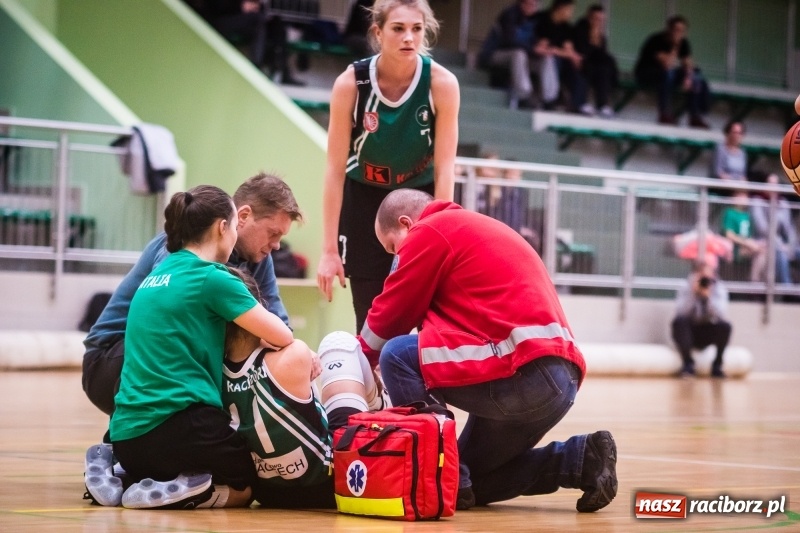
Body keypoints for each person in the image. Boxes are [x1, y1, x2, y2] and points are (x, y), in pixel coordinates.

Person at [358, 189, 618, 513]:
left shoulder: (430, 230)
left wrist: (359, 359)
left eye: (392, 247)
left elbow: (392, 313)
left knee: (397, 355)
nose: (396, 257)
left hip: (524, 370)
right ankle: (581, 460)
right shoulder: (475, 228)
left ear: (405, 224)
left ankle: (437, 473)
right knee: (461, 482)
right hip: (558, 380)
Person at [103, 185, 301, 510]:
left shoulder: (156, 274)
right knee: (250, 483)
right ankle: (194, 491)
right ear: (223, 227)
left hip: (126, 439)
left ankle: (126, 476)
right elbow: (282, 335)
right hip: (182, 431)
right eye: (235, 227)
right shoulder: (214, 278)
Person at [83, 172, 302, 418]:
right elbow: (164, 322)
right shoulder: (182, 246)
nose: (277, 245)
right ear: (242, 216)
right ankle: (137, 434)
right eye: (273, 233)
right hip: (111, 360)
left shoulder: (259, 258)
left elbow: (279, 325)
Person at [316, 0, 459, 334]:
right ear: (378, 32)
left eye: (416, 29)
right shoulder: (351, 84)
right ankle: (370, 369)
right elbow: (334, 170)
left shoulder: (442, 84)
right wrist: (328, 250)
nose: (409, 37)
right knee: (370, 319)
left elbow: (445, 169)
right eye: (398, 28)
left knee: (428, 313)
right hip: (364, 198)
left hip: (420, 199)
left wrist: (443, 236)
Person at [222, 268, 383, 509]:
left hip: (270, 495)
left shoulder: (210, 373)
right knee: (338, 342)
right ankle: (381, 405)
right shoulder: (294, 354)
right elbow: (281, 338)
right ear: (258, 310)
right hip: (333, 484)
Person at [634, 15, 711, 128]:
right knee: (668, 73)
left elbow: (688, 63)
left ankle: (695, 116)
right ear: (669, 30)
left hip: (667, 74)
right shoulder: (656, 40)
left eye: (682, 31)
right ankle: (664, 114)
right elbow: (667, 64)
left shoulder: (684, 43)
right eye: (676, 30)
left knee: (697, 78)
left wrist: (689, 76)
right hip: (647, 73)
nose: (679, 33)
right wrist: (675, 45)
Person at [478, 0, 543, 109]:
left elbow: (536, 42)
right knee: (519, 54)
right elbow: (509, 41)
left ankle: (548, 99)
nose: (532, 7)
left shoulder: (536, 19)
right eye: (529, 4)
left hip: (524, 56)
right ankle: (524, 94)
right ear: (522, 3)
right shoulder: (510, 14)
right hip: (495, 54)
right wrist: (533, 49)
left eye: (534, 5)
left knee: (545, 59)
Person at [671, 261, 732, 378]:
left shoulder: (719, 289)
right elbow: (680, 312)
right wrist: (693, 294)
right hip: (690, 331)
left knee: (725, 326)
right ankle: (688, 364)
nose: (705, 281)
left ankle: (717, 365)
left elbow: (721, 315)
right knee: (679, 322)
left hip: (708, 330)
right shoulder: (686, 287)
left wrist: (708, 298)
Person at [533, 0, 585, 113]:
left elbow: (569, 51)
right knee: (554, 60)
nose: (571, 14)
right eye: (569, 10)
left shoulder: (566, 27)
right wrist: (558, 52)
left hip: (557, 58)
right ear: (561, 8)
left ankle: (576, 105)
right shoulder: (543, 20)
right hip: (537, 57)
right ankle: (551, 98)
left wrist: (557, 51)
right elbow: (542, 47)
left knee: (576, 68)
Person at [749, 171, 800, 284]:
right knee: (781, 255)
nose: (774, 187)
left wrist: (790, 246)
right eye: (770, 184)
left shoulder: (783, 203)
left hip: (783, 245)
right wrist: (781, 245)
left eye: (776, 184)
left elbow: (789, 229)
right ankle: (787, 290)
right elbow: (762, 228)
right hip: (764, 242)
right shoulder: (757, 201)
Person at [572, 3, 617, 117]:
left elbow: (602, 55)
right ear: (589, 18)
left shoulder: (601, 36)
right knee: (588, 68)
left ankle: (602, 105)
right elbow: (582, 51)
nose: (598, 22)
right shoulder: (579, 29)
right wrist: (592, 37)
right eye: (596, 19)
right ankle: (581, 103)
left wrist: (596, 38)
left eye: (601, 20)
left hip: (594, 65)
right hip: (578, 62)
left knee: (605, 68)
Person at [720, 189, 767, 282]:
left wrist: (752, 244)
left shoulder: (747, 215)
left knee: (764, 249)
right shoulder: (730, 213)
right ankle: (753, 282)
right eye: (741, 196)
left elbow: (750, 236)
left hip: (746, 247)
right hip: (734, 248)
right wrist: (746, 243)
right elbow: (729, 235)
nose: (744, 199)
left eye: (745, 196)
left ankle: (755, 282)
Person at [711, 121, 747, 195]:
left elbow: (742, 174)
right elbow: (718, 172)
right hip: (722, 186)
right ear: (728, 133)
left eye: (739, 133)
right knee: (739, 194)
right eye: (735, 132)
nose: (737, 135)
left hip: (738, 186)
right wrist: (733, 183)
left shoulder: (742, 153)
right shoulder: (720, 150)